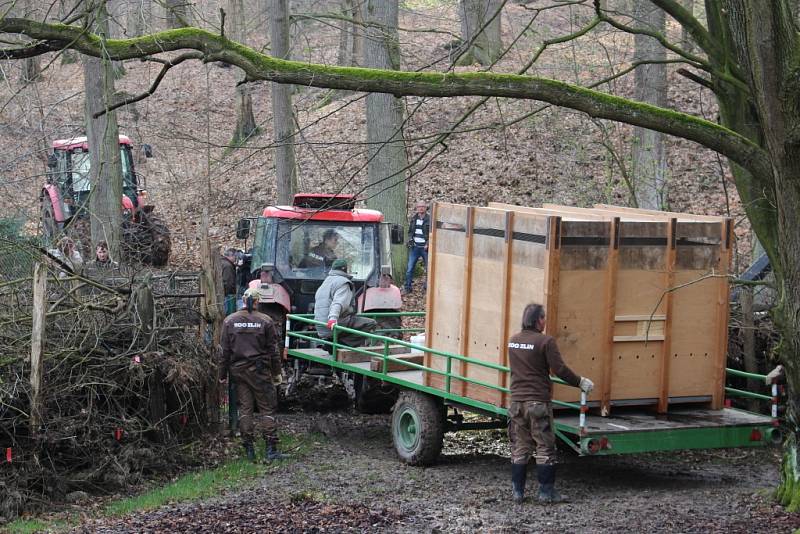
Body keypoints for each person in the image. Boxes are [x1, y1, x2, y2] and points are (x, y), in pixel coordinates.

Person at [508, 303, 594, 504]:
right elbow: (560, 370)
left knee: (520, 446)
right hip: (538, 402)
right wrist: (580, 382)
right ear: (538, 320)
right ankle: (546, 493)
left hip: (516, 402)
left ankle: (518, 493)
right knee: (545, 447)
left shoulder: (513, 341)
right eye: (544, 318)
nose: (545, 321)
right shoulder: (545, 342)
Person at [219, 288, 287, 462]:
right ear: (258, 302)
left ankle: (249, 450)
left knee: (245, 410)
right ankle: (270, 450)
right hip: (260, 373)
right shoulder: (266, 321)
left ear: (243, 300)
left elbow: (225, 352)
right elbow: (273, 351)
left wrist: (222, 374)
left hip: (238, 373)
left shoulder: (229, 321)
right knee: (267, 408)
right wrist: (276, 372)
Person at [314, 258, 377, 348]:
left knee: (352, 319)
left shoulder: (326, 282)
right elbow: (338, 303)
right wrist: (333, 318)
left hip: (321, 327)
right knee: (370, 323)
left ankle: (331, 343)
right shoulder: (343, 283)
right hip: (334, 325)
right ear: (345, 269)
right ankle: (341, 345)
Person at [404, 201, 430, 293]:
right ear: (417, 208)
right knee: (410, 268)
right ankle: (407, 287)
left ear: (426, 207)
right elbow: (410, 232)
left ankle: (427, 288)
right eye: (419, 207)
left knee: (429, 269)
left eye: (423, 206)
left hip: (425, 248)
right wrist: (410, 239)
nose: (421, 208)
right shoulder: (414, 218)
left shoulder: (429, 219)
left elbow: (432, 233)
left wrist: (428, 243)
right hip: (415, 247)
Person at [221, 248, 238, 315]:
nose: (236, 258)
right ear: (231, 256)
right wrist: (231, 294)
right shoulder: (228, 266)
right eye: (235, 257)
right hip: (226, 296)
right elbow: (228, 283)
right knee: (228, 313)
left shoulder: (221, 262)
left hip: (220, 294)